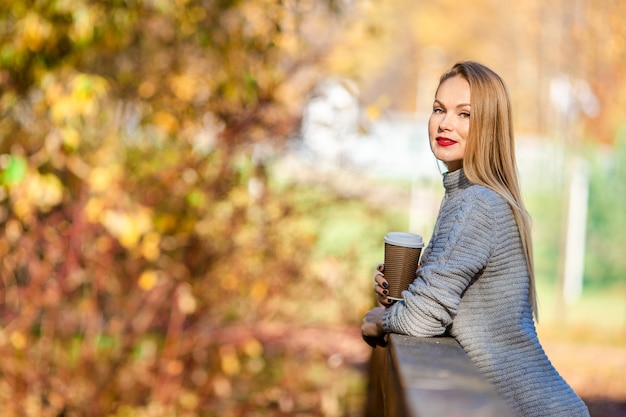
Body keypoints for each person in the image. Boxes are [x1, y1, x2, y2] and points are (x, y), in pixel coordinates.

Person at [361, 61, 590, 417]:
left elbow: (423, 319)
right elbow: (447, 306)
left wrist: (381, 321)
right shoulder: (467, 197)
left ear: (489, 125)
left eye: (464, 114)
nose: (445, 123)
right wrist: (405, 292)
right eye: (439, 109)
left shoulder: (477, 204)